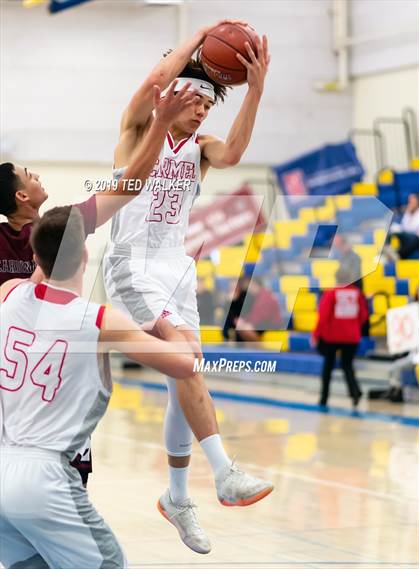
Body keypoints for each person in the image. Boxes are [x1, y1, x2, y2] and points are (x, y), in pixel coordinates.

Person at [103, 20, 273, 554]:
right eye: (196, 97)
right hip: (133, 263)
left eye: (208, 102)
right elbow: (154, 80)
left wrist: (257, 90)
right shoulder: (136, 131)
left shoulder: (201, 150)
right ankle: (224, 472)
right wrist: (201, 36)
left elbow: (237, 152)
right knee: (184, 358)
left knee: (188, 367)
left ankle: (177, 496)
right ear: (171, 92)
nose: (202, 109)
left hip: (176, 269)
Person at [0, 80, 197, 485]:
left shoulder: (13, 290)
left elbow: (130, 183)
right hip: (50, 410)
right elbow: (131, 186)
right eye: (26, 173)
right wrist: (159, 122)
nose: (34, 173)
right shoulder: (66, 231)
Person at [0, 206, 197, 568]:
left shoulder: (9, 293)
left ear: (33, 255)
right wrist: (168, 321)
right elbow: (186, 365)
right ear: (86, 255)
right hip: (46, 476)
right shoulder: (101, 319)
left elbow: (39, 282)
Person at [312, 267, 368, 408]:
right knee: (347, 366)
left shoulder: (331, 293)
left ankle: (324, 397)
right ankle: (355, 392)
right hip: (351, 337)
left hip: (332, 337)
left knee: (328, 367)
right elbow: (364, 316)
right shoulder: (358, 294)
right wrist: (353, 326)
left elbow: (323, 316)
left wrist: (316, 334)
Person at [236, 277, 282, 343]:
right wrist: (244, 320)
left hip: (272, 325)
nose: (249, 289)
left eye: (250, 286)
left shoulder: (265, 296)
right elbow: (254, 313)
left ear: (255, 285)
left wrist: (248, 323)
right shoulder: (257, 296)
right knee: (241, 326)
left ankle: (259, 348)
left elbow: (261, 315)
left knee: (246, 328)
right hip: (264, 323)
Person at [388, 193, 419, 259]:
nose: (410, 203)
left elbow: (413, 228)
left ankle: (398, 255)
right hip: (408, 236)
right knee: (390, 232)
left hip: (417, 239)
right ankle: (387, 249)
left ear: (418, 202)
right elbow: (404, 225)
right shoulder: (408, 211)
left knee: (414, 239)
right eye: (409, 201)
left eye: (412, 201)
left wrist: (401, 230)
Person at [222, 276, 252, 341]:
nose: (233, 285)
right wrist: (229, 300)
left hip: (242, 318)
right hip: (231, 319)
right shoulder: (227, 296)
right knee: (225, 322)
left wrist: (235, 300)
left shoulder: (244, 294)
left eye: (235, 282)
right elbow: (225, 310)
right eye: (231, 282)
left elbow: (244, 309)